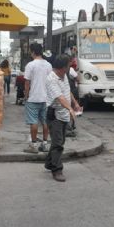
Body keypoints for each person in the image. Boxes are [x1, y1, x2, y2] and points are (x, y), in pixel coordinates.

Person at [44, 54, 80, 182]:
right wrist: (70, 108)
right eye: (68, 66)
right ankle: (57, 170)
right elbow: (60, 97)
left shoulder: (63, 76)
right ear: (63, 67)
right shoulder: (51, 79)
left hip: (63, 113)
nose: (70, 68)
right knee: (58, 143)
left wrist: (74, 103)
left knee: (59, 141)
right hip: (54, 114)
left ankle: (49, 163)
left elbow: (67, 91)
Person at [23, 43, 52, 153]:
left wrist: (26, 96)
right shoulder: (48, 65)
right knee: (45, 122)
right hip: (46, 98)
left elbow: (27, 83)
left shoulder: (30, 65)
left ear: (33, 52)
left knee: (33, 122)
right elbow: (51, 82)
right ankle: (45, 144)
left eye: (31, 51)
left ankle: (34, 146)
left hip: (33, 98)